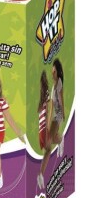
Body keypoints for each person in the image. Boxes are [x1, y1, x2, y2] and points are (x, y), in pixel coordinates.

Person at [37, 59, 65, 189]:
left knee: (48, 145)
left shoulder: (58, 83)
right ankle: (60, 139)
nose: (52, 72)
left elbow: (60, 99)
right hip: (53, 117)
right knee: (49, 143)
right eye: (52, 71)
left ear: (57, 71)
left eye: (54, 70)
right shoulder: (53, 86)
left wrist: (63, 113)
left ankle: (40, 174)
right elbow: (49, 106)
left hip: (57, 116)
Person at [37, 71, 51, 189]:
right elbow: (48, 111)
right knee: (48, 150)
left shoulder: (40, 95)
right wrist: (48, 126)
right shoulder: (46, 93)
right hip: (43, 127)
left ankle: (41, 174)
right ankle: (40, 174)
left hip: (40, 127)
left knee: (46, 150)